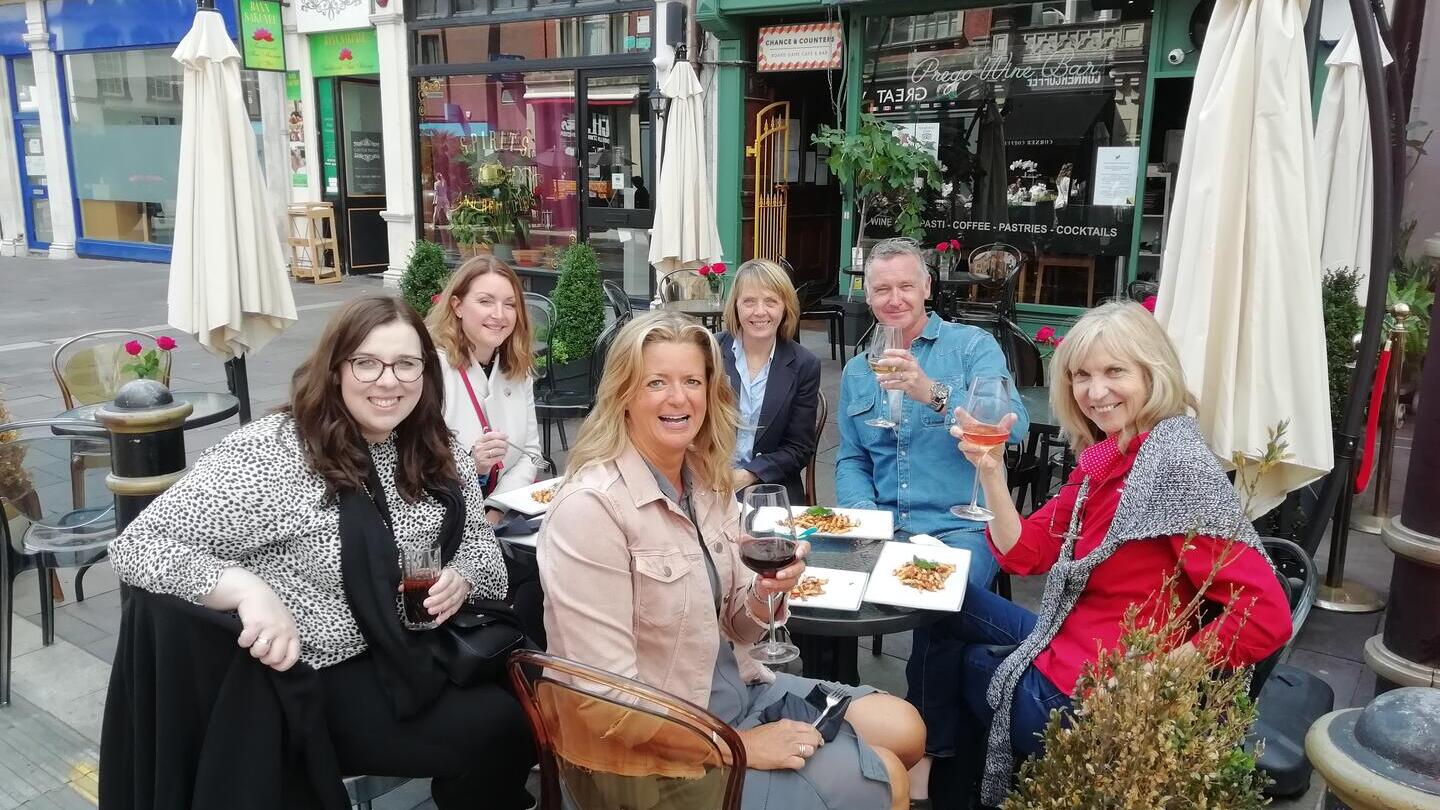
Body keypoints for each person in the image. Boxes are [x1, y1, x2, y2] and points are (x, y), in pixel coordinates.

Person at [106, 296, 536, 810]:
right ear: (335, 370)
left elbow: (482, 557)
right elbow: (138, 546)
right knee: (502, 726)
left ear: (426, 372)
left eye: (406, 364)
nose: (388, 380)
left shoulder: (434, 445)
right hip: (322, 675)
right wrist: (248, 591)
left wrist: (462, 575)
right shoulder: (276, 454)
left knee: (535, 695)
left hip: (423, 648)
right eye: (367, 362)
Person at [540, 311, 925, 810]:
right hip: (650, 753)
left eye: (692, 381)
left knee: (906, 730)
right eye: (656, 382)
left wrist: (766, 596)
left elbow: (740, 628)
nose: (679, 398)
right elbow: (608, 703)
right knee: (889, 777)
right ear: (623, 395)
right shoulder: (591, 511)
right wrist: (736, 746)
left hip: (735, 690)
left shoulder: (706, 481)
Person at [937, 300, 1292, 807]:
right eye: (1081, 375)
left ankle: (965, 787)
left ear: (1153, 372)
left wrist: (1146, 680)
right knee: (945, 601)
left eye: (1114, 372)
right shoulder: (1106, 459)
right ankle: (942, 769)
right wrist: (991, 471)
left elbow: (1264, 616)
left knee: (971, 665)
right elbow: (1027, 554)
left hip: (1097, 683)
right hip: (1067, 635)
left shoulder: (1174, 469)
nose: (1095, 392)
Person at [834, 239, 1028, 796]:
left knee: (935, 599)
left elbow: (1011, 428)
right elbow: (849, 457)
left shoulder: (972, 347)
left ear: (925, 288)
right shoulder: (857, 370)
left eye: (904, 286)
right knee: (815, 588)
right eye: (881, 289)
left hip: (962, 522)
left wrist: (932, 392)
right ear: (867, 296)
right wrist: (866, 517)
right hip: (886, 524)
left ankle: (923, 750)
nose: (894, 299)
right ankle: (844, 719)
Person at [428, 255, 546, 523]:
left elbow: (530, 453)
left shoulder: (518, 368)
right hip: (446, 522)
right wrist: (472, 466)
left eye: (510, 304)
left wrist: (495, 512)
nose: (499, 315)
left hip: (502, 518)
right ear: (457, 306)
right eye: (485, 301)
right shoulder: (431, 369)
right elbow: (413, 466)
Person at [717, 259, 822, 504]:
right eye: (749, 301)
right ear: (735, 306)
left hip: (770, 488)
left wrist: (748, 474)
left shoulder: (804, 365)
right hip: (709, 484)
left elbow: (799, 448)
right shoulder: (708, 352)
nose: (759, 311)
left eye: (771, 301)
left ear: (785, 307)